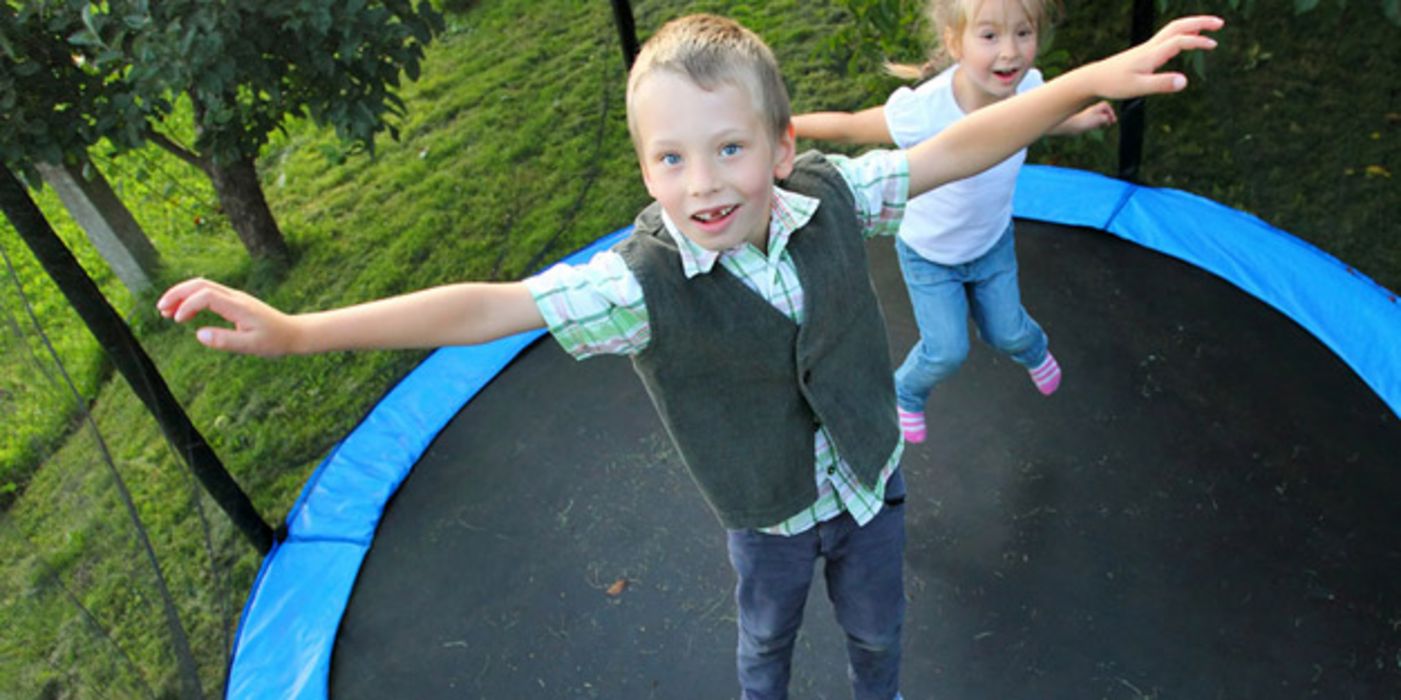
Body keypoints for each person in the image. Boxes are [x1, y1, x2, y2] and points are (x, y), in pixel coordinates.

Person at [158, 13, 1221, 700]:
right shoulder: (636, 283)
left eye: (728, 148)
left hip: (868, 482)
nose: (703, 181)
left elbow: (959, 147)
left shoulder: (837, 198)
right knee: (765, 641)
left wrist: (1085, 74)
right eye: (671, 157)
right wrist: (301, 331)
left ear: (782, 149)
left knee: (879, 628)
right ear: (645, 167)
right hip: (763, 515)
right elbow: (489, 305)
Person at [794, 0, 1118, 445]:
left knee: (1009, 331)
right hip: (930, 257)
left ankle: (1033, 349)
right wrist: (785, 127)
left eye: (1023, 34)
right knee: (946, 350)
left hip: (992, 245)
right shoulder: (926, 111)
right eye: (989, 36)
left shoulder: (1032, 88)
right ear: (955, 42)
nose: (1009, 53)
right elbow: (850, 126)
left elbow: (1042, 119)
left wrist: (1079, 120)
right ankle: (907, 390)